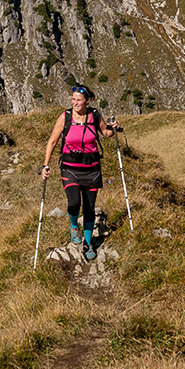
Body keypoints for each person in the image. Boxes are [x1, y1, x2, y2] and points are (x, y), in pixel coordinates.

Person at [41, 85, 119, 260]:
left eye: (79, 100)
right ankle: (74, 225)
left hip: (92, 168)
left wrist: (115, 128)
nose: (75, 103)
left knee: (90, 208)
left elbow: (106, 132)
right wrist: (45, 166)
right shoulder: (65, 117)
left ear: (87, 101)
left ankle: (88, 243)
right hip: (70, 167)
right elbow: (52, 141)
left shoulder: (94, 115)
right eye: (73, 99)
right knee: (74, 202)